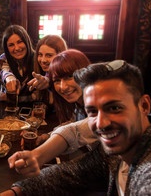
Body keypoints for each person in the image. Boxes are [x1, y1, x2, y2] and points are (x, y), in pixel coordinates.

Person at [1, 60, 151, 196]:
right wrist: (13, 193)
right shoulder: (120, 147)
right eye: (92, 112)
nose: (101, 123)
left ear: (144, 106)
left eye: (114, 108)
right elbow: (71, 174)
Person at [9, 49, 97, 177]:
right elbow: (72, 123)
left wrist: (36, 156)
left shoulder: (102, 108)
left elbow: (74, 130)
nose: (63, 87)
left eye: (70, 77)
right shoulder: (77, 103)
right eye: (57, 80)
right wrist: (45, 137)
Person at [0, 25, 35, 102]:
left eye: (19, 42)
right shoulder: (4, 58)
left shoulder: (37, 58)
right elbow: (4, 70)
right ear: (6, 48)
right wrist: (9, 78)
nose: (16, 48)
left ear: (26, 41)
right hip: (8, 107)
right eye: (11, 45)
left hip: (33, 109)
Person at [28, 34, 68, 104]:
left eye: (49, 55)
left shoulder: (69, 74)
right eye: (40, 55)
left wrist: (48, 82)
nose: (43, 60)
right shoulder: (47, 71)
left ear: (61, 55)